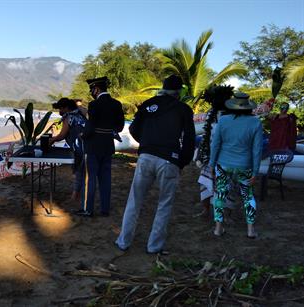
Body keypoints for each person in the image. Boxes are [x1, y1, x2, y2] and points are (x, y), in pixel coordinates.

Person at [115, 75, 195, 255]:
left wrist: (147, 144)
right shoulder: (184, 109)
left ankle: (123, 241)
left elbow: (134, 129)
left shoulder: (149, 104)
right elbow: (189, 139)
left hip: (145, 157)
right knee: (164, 204)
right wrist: (182, 161)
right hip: (169, 160)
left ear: (163, 88)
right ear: (179, 92)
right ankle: (154, 247)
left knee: (135, 200)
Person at [209, 92, 263, 238]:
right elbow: (257, 150)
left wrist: (211, 164)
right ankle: (251, 230)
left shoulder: (223, 120)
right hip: (245, 166)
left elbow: (215, 145)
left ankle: (218, 228)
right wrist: (255, 172)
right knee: (248, 196)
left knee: (220, 195)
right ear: (248, 107)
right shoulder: (256, 122)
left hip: (223, 164)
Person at [74, 76, 125, 217]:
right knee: (105, 178)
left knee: (89, 179)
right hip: (108, 145)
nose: (91, 92)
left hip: (93, 147)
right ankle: (105, 209)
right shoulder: (116, 104)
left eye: (92, 89)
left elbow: (89, 128)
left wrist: (82, 135)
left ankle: (87, 209)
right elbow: (119, 127)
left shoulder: (94, 105)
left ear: (96, 89)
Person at [195, 85, 237, 219]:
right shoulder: (210, 114)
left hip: (226, 156)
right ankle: (206, 210)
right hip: (210, 156)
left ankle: (226, 213)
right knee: (204, 183)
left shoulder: (232, 116)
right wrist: (202, 154)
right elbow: (205, 136)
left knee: (227, 185)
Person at [49, 98, 88, 201]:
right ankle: (78, 193)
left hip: (78, 147)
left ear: (66, 108)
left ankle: (75, 195)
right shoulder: (80, 114)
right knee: (82, 171)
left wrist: (52, 140)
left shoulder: (69, 117)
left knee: (78, 171)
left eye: (60, 108)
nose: (59, 112)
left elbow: (62, 135)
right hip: (87, 146)